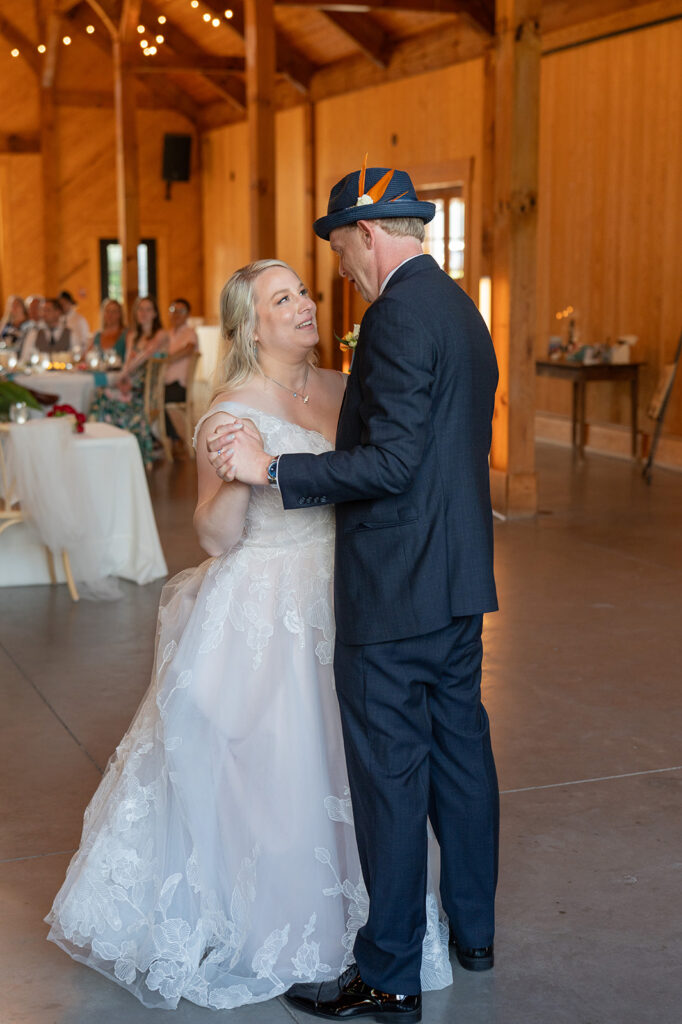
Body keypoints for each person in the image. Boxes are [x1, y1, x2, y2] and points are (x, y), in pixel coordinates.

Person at [45, 259, 452, 1011]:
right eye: (282, 299)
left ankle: (378, 924)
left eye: (304, 292)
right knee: (276, 767)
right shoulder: (230, 411)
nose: (304, 305)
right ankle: (275, 919)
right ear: (250, 327)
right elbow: (212, 537)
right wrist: (241, 473)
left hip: (351, 591)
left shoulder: (346, 386)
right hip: (268, 601)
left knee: (361, 762)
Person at [209, 165, 500, 1021]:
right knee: (461, 757)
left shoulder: (395, 317)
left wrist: (273, 469)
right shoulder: (457, 307)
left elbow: (393, 462)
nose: (336, 270)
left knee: (390, 781)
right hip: (455, 578)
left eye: (338, 250)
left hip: (394, 589)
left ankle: (388, 974)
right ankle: (474, 932)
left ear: (367, 234)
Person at [89, 296, 168, 466]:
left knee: (105, 396)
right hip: (131, 385)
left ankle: (119, 448)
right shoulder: (133, 335)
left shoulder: (161, 335)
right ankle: (106, 448)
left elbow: (146, 354)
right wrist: (123, 379)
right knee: (99, 393)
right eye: (140, 309)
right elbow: (127, 362)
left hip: (146, 390)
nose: (143, 313)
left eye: (148, 309)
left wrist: (124, 375)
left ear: (155, 313)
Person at [164, 297, 199, 446]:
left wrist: (168, 359)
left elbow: (189, 348)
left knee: (156, 399)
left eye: (181, 311)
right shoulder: (167, 334)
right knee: (146, 396)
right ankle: (165, 438)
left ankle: (174, 438)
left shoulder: (190, 333)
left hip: (179, 386)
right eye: (173, 310)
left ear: (187, 315)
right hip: (164, 383)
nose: (176, 314)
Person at [20, 297, 72, 362]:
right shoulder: (34, 332)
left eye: (48, 310)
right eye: (43, 310)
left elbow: (76, 355)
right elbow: (25, 357)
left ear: (58, 312)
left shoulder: (70, 333)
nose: (44, 313)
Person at [88, 298, 127, 363]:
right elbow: (86, 356)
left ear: (120, 314)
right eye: (107, 311)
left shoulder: (126, 334)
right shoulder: (97, 335)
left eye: (114, 311)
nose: (110, 315)